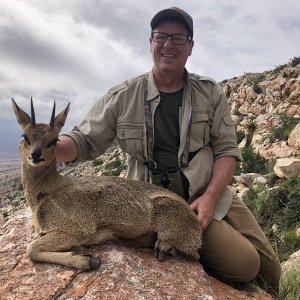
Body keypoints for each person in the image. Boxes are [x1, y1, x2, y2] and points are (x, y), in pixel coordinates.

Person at [56, 7, 281, 296]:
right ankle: (179, 247)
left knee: (270, 265)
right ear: (151, 42)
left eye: (178, 38)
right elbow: (83, 141)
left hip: (209, 191)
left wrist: (211, 197)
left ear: (190, 47)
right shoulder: (123, 96)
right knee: (245, 266)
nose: (168, 45)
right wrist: (49, 146)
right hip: (159, 208)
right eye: (160, 36)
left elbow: (226, 150)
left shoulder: (209, 92)